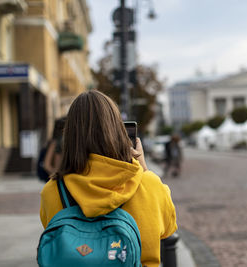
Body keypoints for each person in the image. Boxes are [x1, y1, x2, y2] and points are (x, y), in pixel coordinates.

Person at [40, 90, 177, 267]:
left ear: (70, 136)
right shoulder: (149, 185)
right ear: (118, 131)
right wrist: (142, 168)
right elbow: (168, 229)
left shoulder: (53, 191)